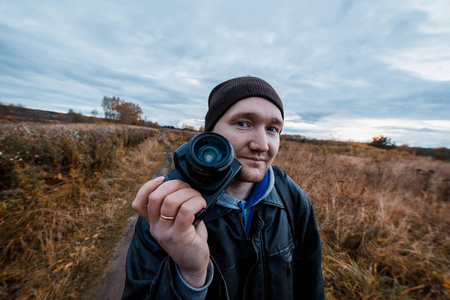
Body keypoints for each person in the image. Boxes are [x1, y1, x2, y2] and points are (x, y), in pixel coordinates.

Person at [122, 76, 325, 299]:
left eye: (273, 129)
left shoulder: (291, 198)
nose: (262, 145)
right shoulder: (170, 208)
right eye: (243, 123)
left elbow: (311, 285)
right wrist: (192, 276)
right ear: (210, 133)